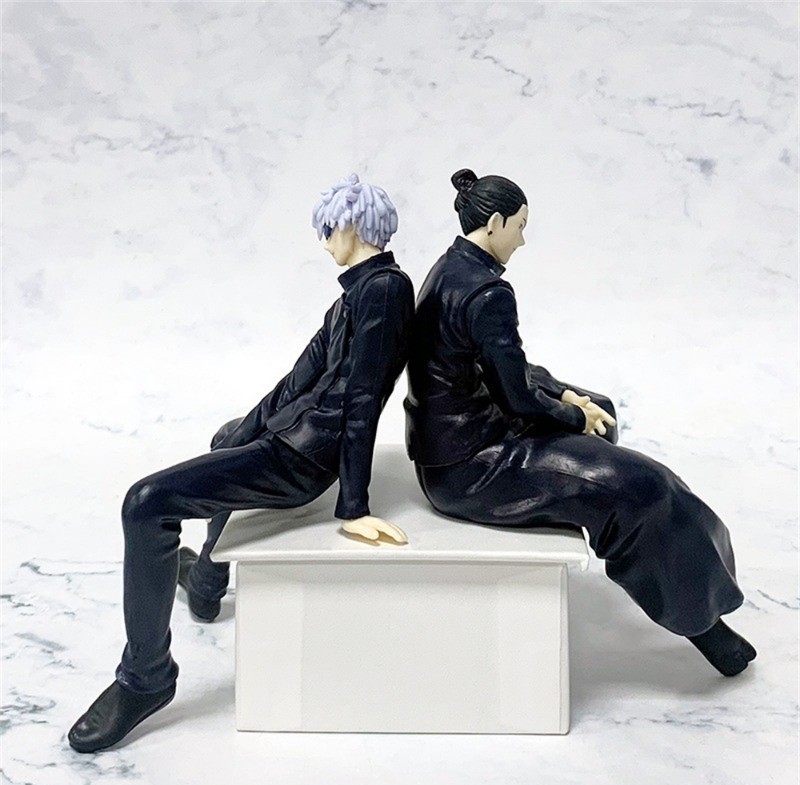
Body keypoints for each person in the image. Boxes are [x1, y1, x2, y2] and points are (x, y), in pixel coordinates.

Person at [68, 174, 415, 753]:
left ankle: (146, 678)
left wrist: (353, 507)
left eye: (329, 228)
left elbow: (361, 402)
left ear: (353, 226)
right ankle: (207, 583)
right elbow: (296, 380)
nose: (324, 239)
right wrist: (240, 438)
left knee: (145, 504)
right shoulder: (353, 294)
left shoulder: (383, 292)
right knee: (225, 436)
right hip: (291, 438)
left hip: (302, 460)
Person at [404, 168, 756, 678]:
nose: (522, 240)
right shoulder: (487, 293)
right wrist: (572, 415)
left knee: (602, 410)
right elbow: (517, 397)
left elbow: (495, 369)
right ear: (496, 223)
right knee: (647, 489)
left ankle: (650, 561)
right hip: (473, 465)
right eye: (520, 227)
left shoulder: (450, 268)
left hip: (459, 443)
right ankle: (704, 628)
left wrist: (568, 397)